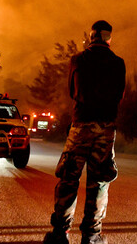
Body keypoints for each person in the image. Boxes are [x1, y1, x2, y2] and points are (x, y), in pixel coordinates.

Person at [43, 20, 126, 244]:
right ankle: (92, 235)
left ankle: (60, 233)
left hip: (80, 125)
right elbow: (119, 95)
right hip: (106, 127)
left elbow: (72, 91)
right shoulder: (118, 63)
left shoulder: (78, 60)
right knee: (99, 180)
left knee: (69, 177)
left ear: (91, 37)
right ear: (109, 38)